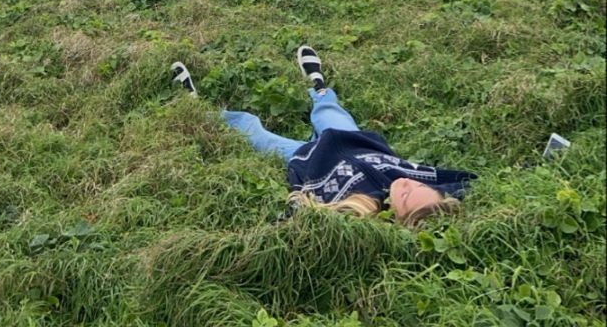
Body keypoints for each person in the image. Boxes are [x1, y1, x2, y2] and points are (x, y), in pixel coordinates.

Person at [170, 46, 476, 227]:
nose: (409, 183)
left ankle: (198, 107)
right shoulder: (416, 184)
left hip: (307, 156)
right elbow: (467, 181)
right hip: (351, 140)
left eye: (407, 195)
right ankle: (317, 83)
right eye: (419, 184)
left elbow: (301, 220)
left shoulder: (358, 207)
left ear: (395, 216)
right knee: (329, 111)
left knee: (252, 129)